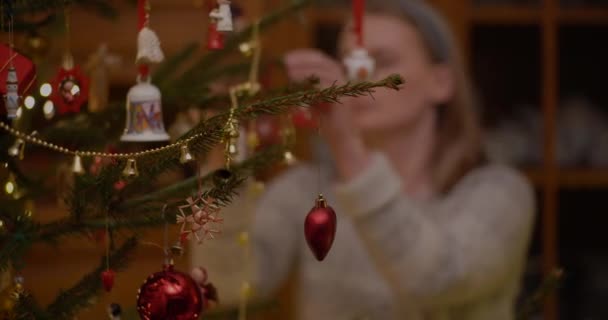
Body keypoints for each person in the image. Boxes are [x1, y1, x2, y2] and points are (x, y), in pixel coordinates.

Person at [251, 1, 535, 319]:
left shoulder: (500, 192)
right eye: (348, 64)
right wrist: (220, 147)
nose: (357, 78)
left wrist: (346, 145)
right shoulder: (305, 191)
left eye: (381, 61)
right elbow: (233, 285)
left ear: (441, 83)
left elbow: (439, 280)